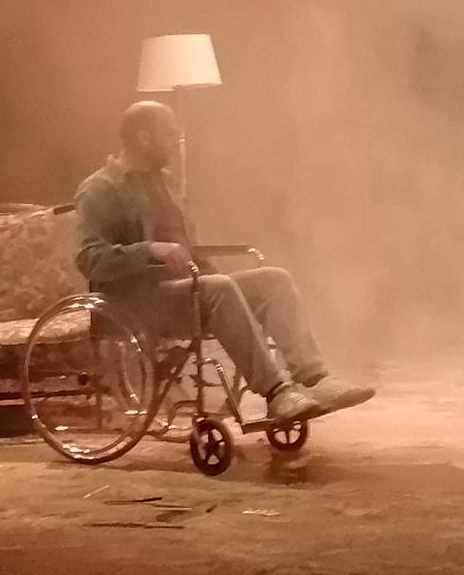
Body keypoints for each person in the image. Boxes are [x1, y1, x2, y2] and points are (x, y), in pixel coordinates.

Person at [73, 99, 372, 425]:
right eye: (169, 134)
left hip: (185, 293)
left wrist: (202, 269)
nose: (176, 141)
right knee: (221, 288)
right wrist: (150, 249)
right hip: (137, 302)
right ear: (144, 137)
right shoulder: (100, 188)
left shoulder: (168, 183)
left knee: (274, 280)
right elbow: (90, 258)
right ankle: (277, 393)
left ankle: (314, 380)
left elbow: (187, 245)